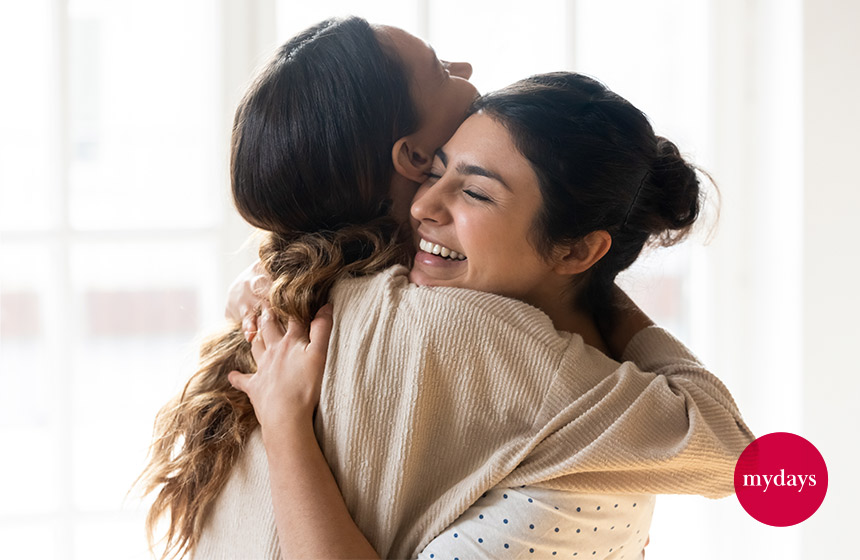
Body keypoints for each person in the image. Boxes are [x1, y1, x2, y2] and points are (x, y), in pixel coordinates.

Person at [136, 16, 751, 560]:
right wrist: (594, 281)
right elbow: (734, 458)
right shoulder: (458, 329)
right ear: (410, 156)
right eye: (438, 66)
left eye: (474, 187)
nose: (466, 70)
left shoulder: (297, 294)